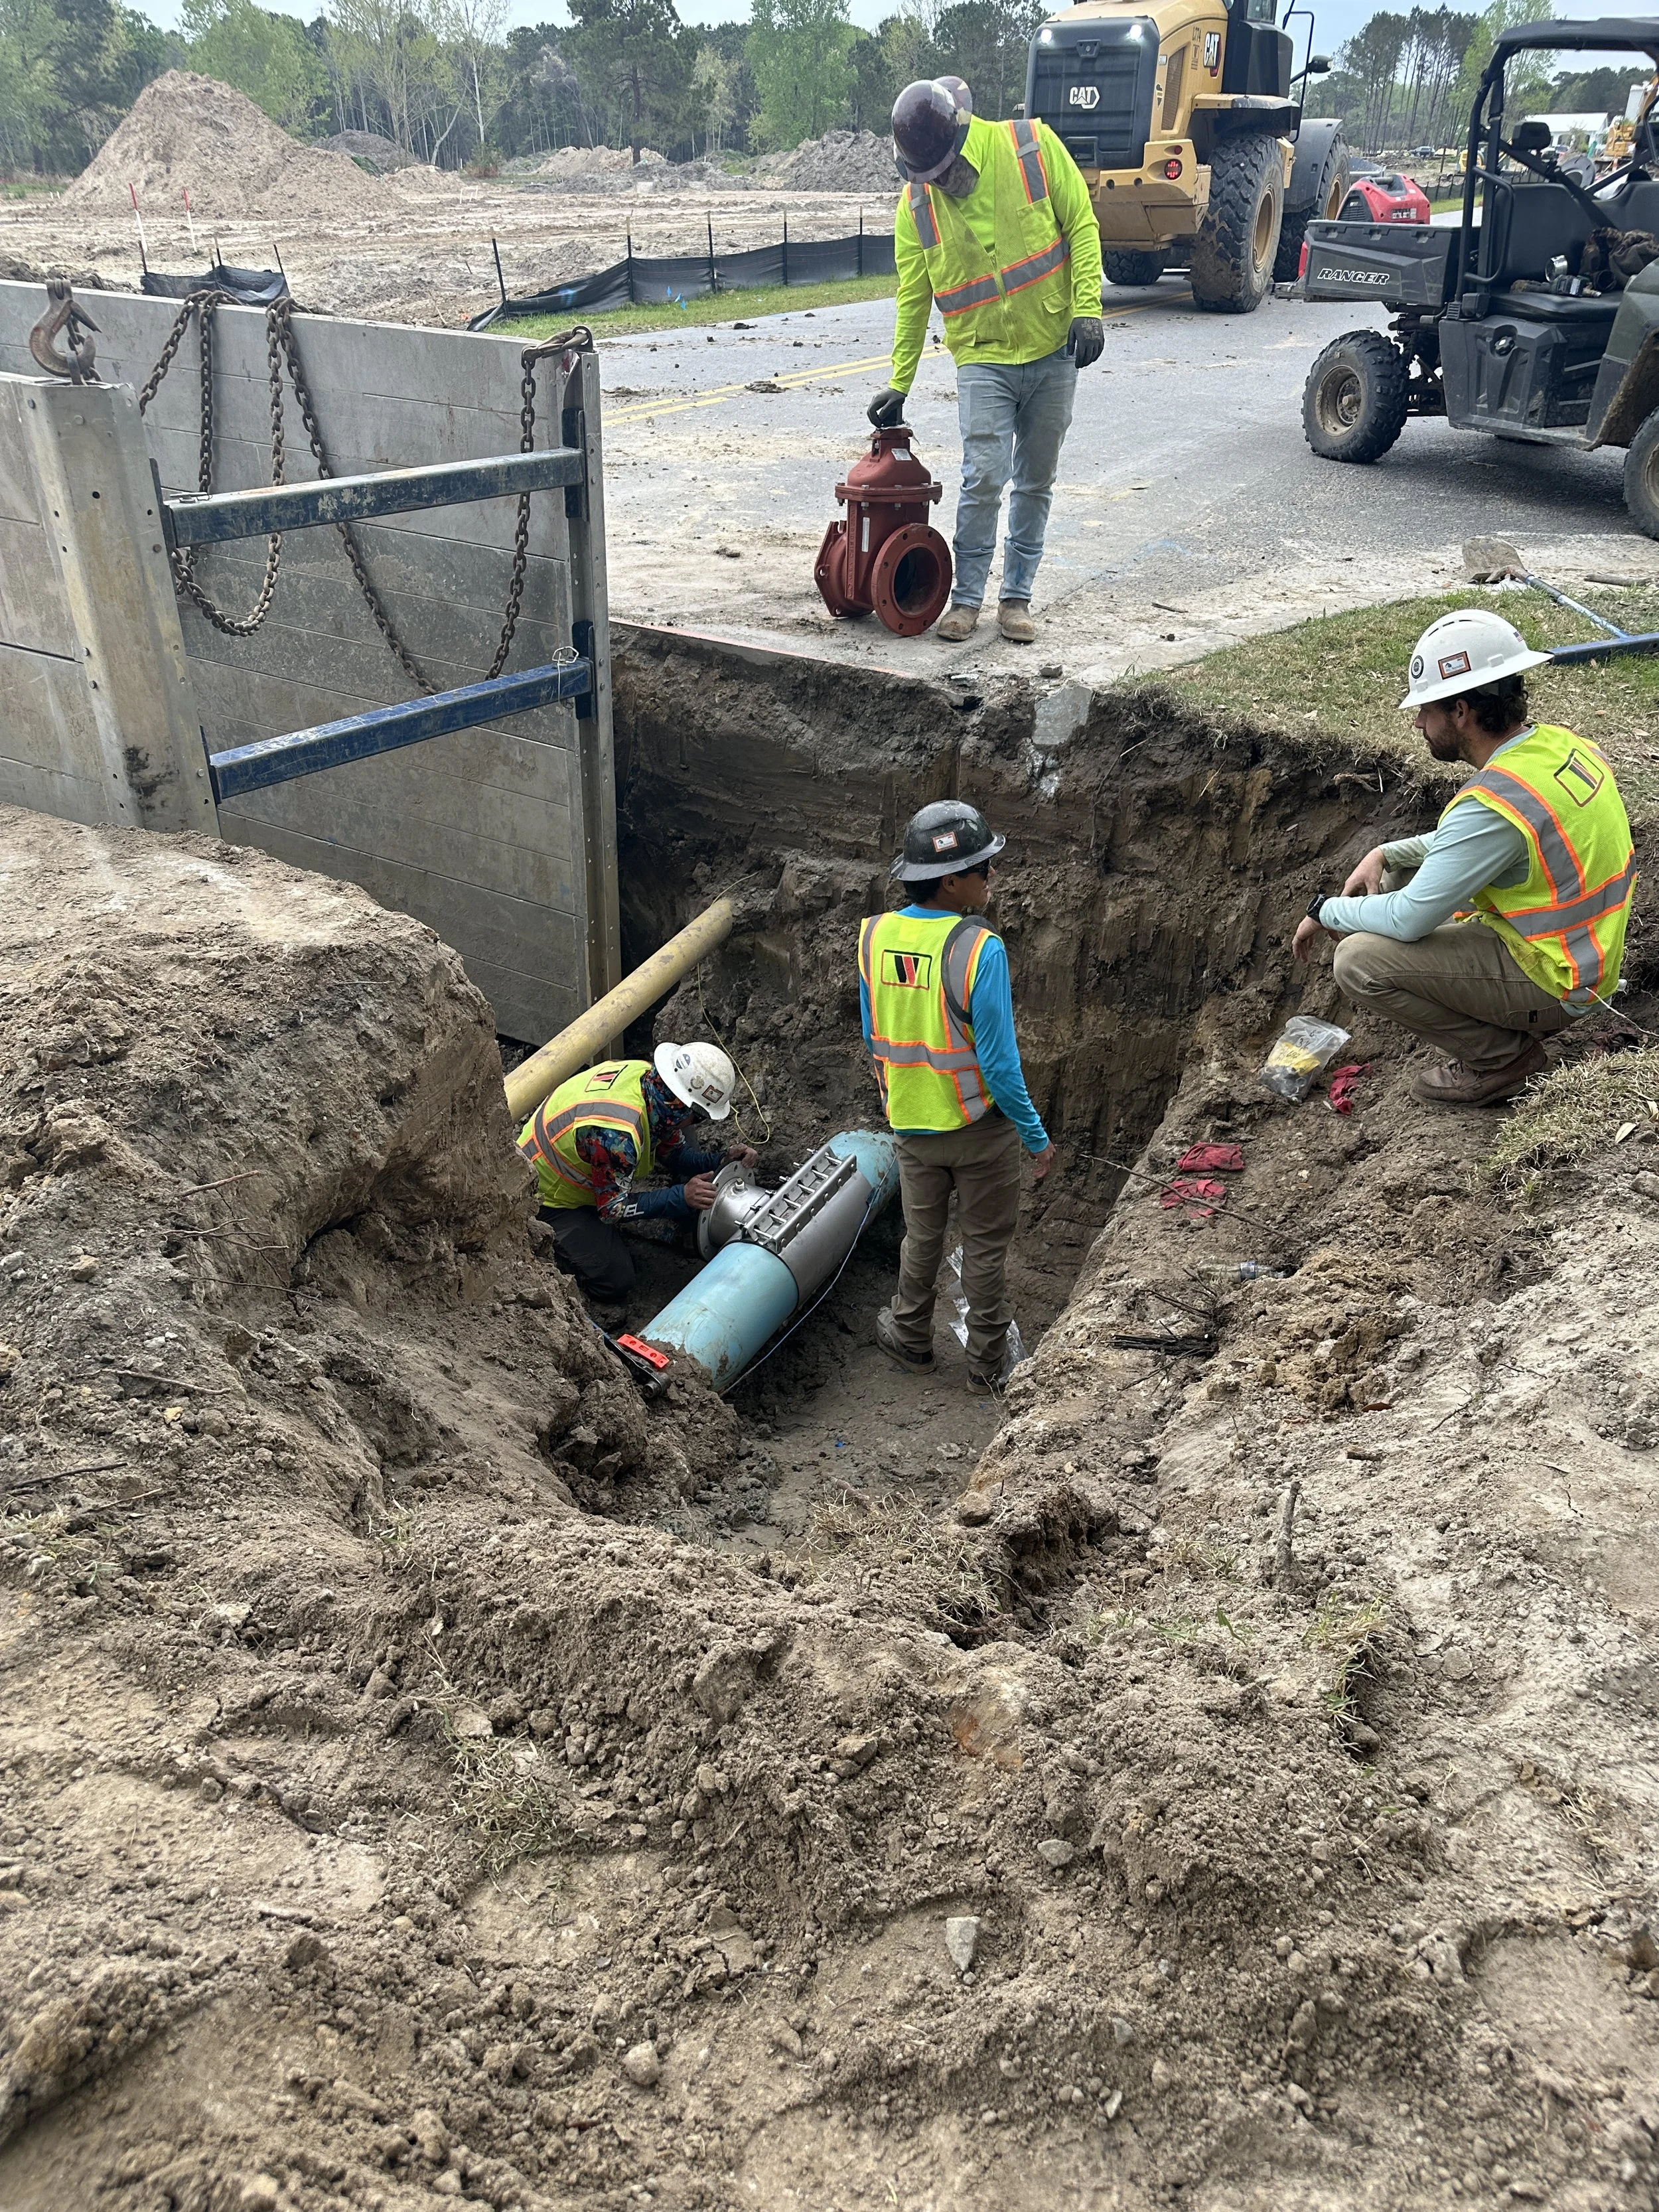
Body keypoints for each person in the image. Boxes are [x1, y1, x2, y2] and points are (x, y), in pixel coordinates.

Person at [1293, 609, 1636, 1106]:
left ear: (1460, 711)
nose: (1417, 722)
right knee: (1412, 878)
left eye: (1425, 709)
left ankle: (1502, 1060)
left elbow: (1409, 918)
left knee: (1357, 960)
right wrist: (1386, 852)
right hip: (1586, 955)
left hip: (1558, 980)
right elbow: (1480, 841)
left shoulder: (1492, 805)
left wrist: (1323, 910)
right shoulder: (1557, 747)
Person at [866, 76, 1105, 648]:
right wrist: (900, 380)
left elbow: (1082, 226)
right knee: (982, 479)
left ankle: (1016, 598)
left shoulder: (1032, 148)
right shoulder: (916, 206)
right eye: (925, 176)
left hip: (1053, 347)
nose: (938, 184)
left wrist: (1088, 309)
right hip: (981, 357)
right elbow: (913, 297)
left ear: (962, 135)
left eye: (943, 171)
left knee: (1035, 480)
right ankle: (967, 598)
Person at [859, 800, 1055, 1392]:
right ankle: (987, 1364)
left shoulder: (874, 936)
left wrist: (902, 1100)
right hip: (978, 1130)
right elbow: (999, 1063)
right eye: (983, 868)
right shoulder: (979, 949)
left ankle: (911, 1336)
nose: (992, 877)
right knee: (986, 1246)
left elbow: (873, 1033)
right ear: (951, 880)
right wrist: (1036, 1138)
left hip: (913, 1126)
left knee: (922, 1237)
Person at [518, 1042, 758, 1312]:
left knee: (684, 1141)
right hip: (542, 1197)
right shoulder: (617, 1137)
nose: (698, 1123)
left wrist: (720, 1160)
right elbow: (611, 1210)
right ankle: (558, 1253)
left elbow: (676, 1152)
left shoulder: (652, 1086)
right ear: (680, 1106)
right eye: (699, 1117)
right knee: (615, 1281)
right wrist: (681, 1196)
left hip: (583, 1164)